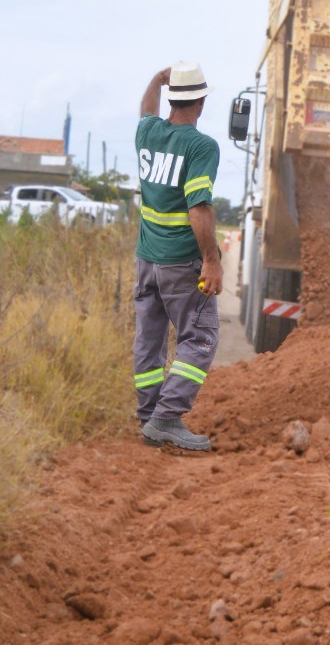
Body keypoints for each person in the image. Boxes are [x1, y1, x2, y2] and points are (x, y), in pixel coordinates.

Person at [132, 62, 224, 453]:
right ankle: (167, 417)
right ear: (201, 100)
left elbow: (145, 111)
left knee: (149, 340)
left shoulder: (148, 132)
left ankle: (149, 414)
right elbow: (198, 208)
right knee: (199, 336)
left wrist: (155, 79)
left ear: (173, 96)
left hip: (146, 260)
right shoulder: (201, 147)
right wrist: (212, 260)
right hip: (180, 263)